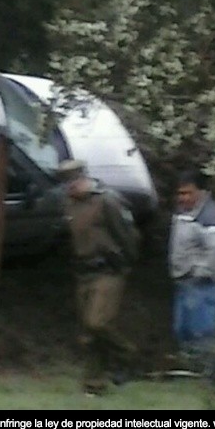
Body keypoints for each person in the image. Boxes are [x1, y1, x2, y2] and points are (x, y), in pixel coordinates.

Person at [57, 159, 139, 396]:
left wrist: (125, 262)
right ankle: (94, 384)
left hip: (108, 270)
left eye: (72, 184)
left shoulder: (107, 201)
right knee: (89, 334)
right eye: (66, 185)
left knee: (98, 323)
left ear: (83, 179)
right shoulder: (69, 204)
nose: (69, 189)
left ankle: (128, 355)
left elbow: (128, 234)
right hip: (83, 271)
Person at [168, 168, 215, 382]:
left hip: (203, 284)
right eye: (180, 193)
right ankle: (192, 372)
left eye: (188, 193)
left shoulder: (212, 216)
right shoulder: (182, 212)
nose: (183, 198)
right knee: (182, 328)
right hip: (184, 281)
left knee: (202, 330)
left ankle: (209, 375)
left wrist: (200, 273)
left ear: (202, 192)